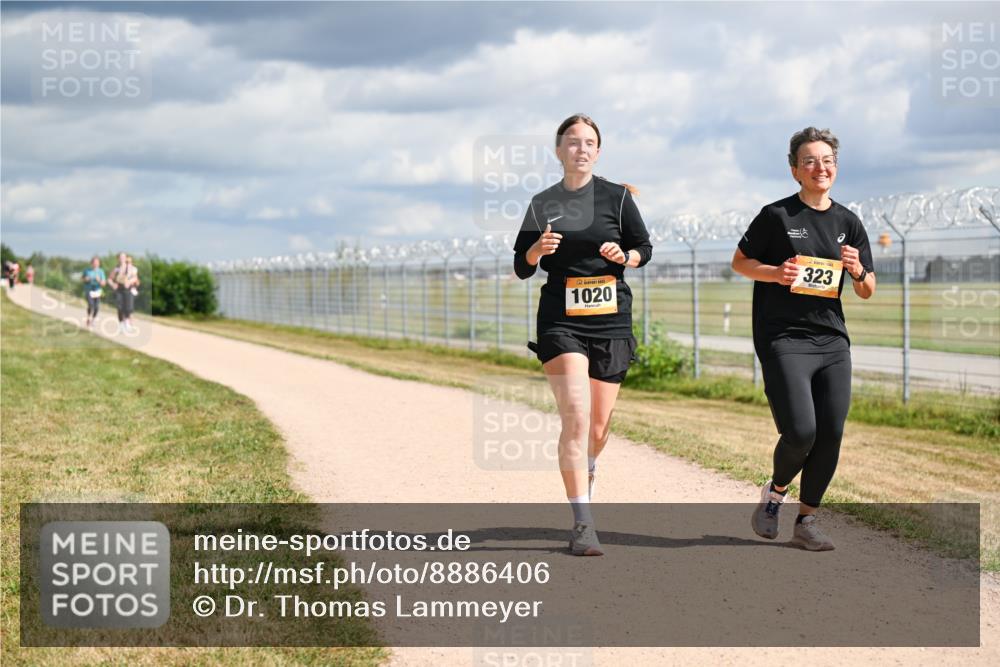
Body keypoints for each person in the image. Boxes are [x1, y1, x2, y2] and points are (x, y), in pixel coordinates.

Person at [513, 114, 653, 556]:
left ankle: (588, 464)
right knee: (576, 416)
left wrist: (625, 256)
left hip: (611, 320)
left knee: (597, 427)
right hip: (561, 320)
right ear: (559, 151)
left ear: (598, 151)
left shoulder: (617, 198)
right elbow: (521, 265)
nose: (581, 149)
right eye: (573, 142)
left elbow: (644, 248)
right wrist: (536, 250)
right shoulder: (543, 203)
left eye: (589, 142)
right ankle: (583, 523)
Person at [732, 127, 876, 551]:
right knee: (801, 431)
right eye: (810, 161)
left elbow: (868, 289)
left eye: (827, 160)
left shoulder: (848, 222)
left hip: (832, 341)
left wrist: (857, 271)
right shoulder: (777, 216)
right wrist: (776, 273)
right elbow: (740, 262)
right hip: (784, 337)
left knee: (830, 432)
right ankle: (775, 494)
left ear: (836, 166)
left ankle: (807, 521)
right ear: (795, 169)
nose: (820, 168)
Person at [108, 252, 139, 333]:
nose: (122, 259)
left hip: (128, 290)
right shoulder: (116, 269)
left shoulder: (131, 268)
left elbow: (135, 278)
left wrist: (129, 281)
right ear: (118, 259)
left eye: (123, 257)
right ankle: (121, 324)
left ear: (126, 258)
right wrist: (113, 284)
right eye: (120, 257)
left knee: (128, 307)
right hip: (119, 290)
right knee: (120, 307)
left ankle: (127, 323)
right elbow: (110, 279)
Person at [81, 256, 107, 327]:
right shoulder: (87, 270)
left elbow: (104, 283)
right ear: (91, 263)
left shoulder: (101, 271)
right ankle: (89, 317)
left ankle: (93, 319)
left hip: (97, 290)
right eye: (94, 262)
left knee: (96, 307)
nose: (95, 264)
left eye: (97, 263)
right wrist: (86, 279)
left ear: (99, 263)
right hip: (89, 290)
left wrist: (99, 280)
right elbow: (82, 279)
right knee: (91, 304)